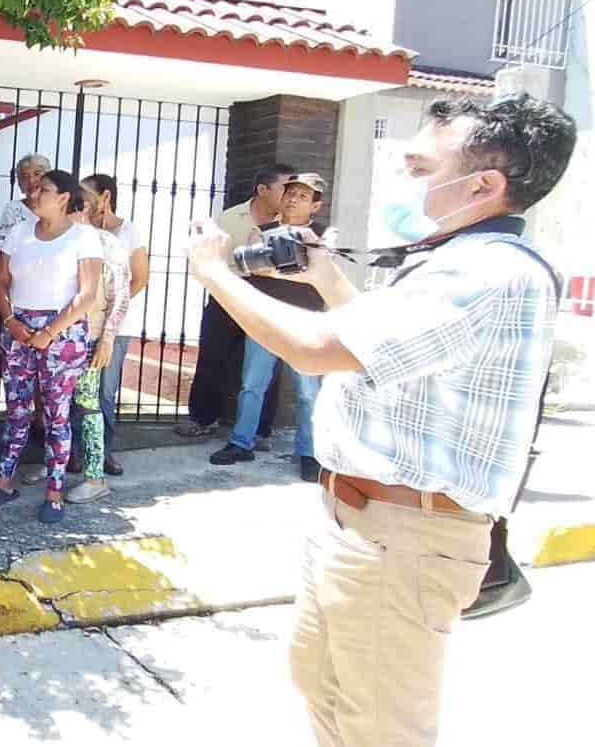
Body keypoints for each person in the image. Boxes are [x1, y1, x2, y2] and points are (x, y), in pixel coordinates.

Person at [184, 96, 573, 747]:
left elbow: (315, 348)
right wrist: (326, 276)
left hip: (403, 535)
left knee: (379, 727)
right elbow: (380, 344)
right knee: (326, 691)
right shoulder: (455, 260)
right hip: (365, 523)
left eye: (420, 167)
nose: (403, 177)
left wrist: (211, 270)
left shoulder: (485, 271)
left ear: (482, 184)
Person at [0, 170, 101, 523]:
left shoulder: (83, 237)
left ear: (64, 197)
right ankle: (4, 481)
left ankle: (54, 492)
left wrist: (49, 331)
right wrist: (10, 322)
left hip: (62, 335)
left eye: (44, 190)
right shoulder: (19, 233)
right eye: (34, 189)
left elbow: (87, 295)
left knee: (56, 414)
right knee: (17, 410)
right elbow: (2, 282)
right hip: (18, 330)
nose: (35, 194)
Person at [208, 172, 329, 478]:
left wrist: (278, 264)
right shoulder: (263, 230)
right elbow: (250, 266)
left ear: (315, 206)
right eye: (290, 192)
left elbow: (318, 270)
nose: (293, 198)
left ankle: (309, 452)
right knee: (252, 385)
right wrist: (290, 266)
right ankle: (241, 443)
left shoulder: (323, 235)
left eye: (303, 196)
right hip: (265, 320)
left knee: (307, 391)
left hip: (306, 322)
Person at [174, 165, 293, 440]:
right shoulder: (230, 218)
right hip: (227, 295)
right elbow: (210, 257)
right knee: (212, 358)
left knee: (265, 367)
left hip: (269, 299)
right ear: (262, 189)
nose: (291, 196)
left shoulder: (290, 223)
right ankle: (203, 419)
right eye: (284, 188)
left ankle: (260, 430)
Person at [55, 195, 130, 504]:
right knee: (54, 407)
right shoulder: (52, 238)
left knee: (88, 406)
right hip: (55, 337)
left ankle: (94, 477)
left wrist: (108, 338)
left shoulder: (106, 244)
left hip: (89, 335)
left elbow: (120, 295)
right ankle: (55, 469)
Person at [80, 173, 147, 476]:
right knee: (76, 392)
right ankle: (77, 453)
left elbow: (139, 279)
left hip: (114, 327)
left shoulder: (128, 232)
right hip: (79, 324)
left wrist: (109, 312)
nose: (81, 201)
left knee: (104, 392)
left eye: (86, 195)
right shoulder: (79, 229)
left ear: (105, 197)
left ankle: (104, 451)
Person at [0, 153, 51, 243]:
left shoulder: (57, 207)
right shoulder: (13, 209)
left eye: (37, 174)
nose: (31, 180)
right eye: (25, 176)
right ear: (20, 184)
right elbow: (3, 243)